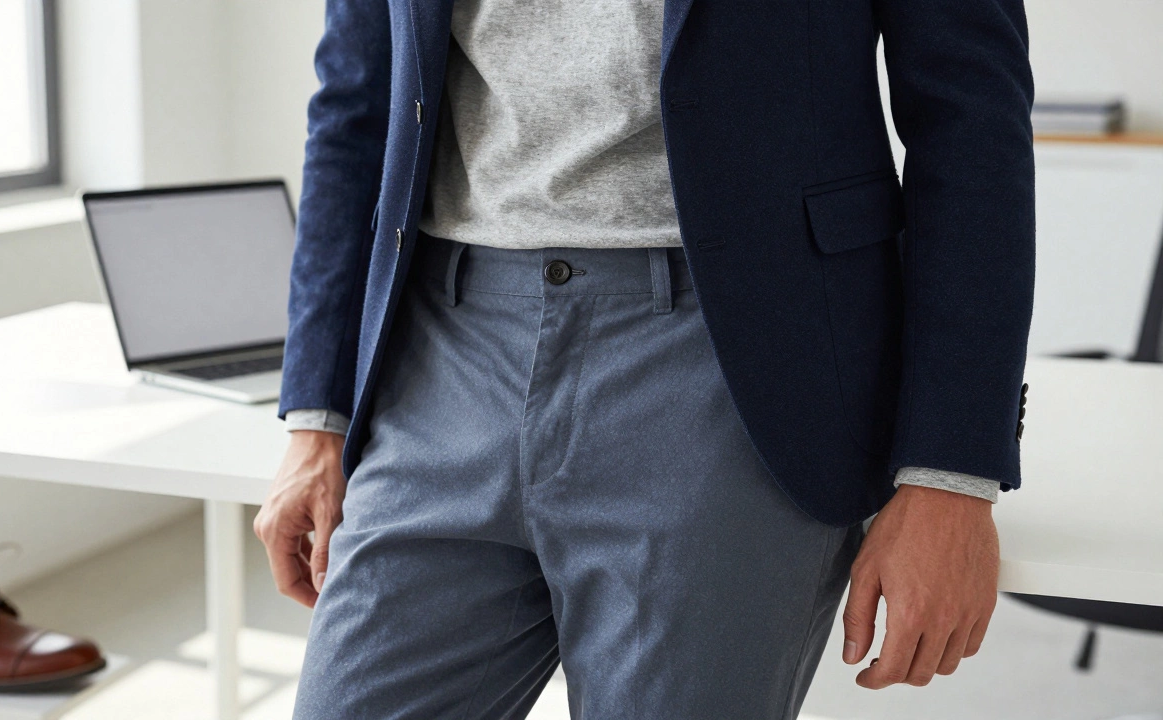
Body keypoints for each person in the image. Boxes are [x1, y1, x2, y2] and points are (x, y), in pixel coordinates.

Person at [255, 0, 1035, 716]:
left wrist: (950, 472)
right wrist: (315, 414)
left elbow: (971, 118)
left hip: (731, 371)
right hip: (439, 358)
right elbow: (356, 105)